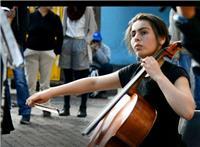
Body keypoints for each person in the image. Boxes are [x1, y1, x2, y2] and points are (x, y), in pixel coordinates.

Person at [26, 13, 195, 147]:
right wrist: (49, 92)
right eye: (133, 34)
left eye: (144, 32)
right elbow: (93, 83)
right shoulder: (134, 71)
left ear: (162, 38)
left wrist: (158, 75)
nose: (136, 37)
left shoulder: (175, 73)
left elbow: (187, 111)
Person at [24, 6, 63, 117]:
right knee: (30, 82)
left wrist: (55, 52)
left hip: (47, 53)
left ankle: (46, 108)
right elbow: (23, 32)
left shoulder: (54, 17)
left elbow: (60, 36)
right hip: (31, 52)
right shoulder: (31, 16)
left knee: (45, 83)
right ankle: (27, 108)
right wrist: (25, 49)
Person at [58, 6, 97, 117]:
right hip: (67, 41)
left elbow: (92, 27)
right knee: (67, 78)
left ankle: (83, 108)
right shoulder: (67, 8)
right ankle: (66, 107)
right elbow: (63, 25)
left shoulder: (87, 8)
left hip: (81, 41)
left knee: (83, 77)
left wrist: (86, 41)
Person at [1, 6, 31, 125]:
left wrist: (19, 41)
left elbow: (25, 27)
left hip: (15, 45)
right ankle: (6, 111)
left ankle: (25, 112)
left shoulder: (22, 7)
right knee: (4, 80)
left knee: (20, 79)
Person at [172, 6, 200, 109]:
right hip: (182, 50)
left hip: (189, 48)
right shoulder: (175, 11)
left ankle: (197, 104)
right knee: (185, 78)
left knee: (197, 78)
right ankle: (188, 103)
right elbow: (175, 32)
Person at [89, 32, 113, 97]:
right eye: (94, 41)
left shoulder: (105, 48)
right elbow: (87, 61)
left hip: (100, 68)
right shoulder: (88, 47)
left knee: (109, 67)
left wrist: (98, 50)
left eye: (97, 41)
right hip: (90, 68)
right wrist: (91, 51)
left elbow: (105, 61)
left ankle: (102, 91)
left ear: (100, 41)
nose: (95, 43)